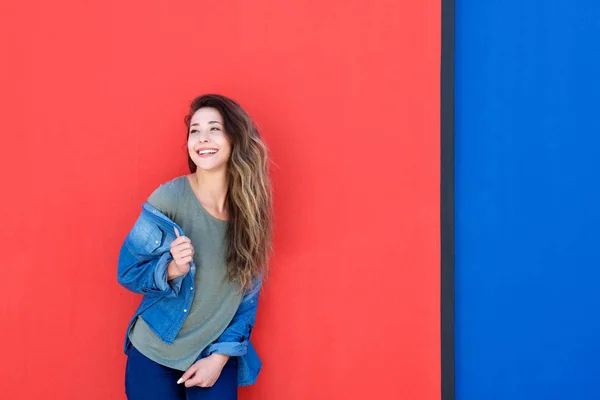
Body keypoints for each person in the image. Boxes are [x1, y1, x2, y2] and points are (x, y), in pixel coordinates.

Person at [117, 94, 273, 400]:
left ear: (233, 138)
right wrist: (172, 268)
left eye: (214, 128)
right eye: (195, 131)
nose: (203, 138)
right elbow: (128, 271)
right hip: (156, 351)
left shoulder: (251, 209)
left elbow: (247, 295)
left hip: (213, 351)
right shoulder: (170, 198)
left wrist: (219, 358)